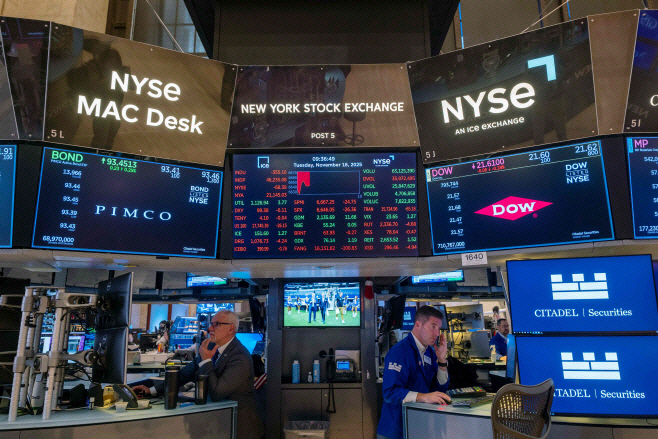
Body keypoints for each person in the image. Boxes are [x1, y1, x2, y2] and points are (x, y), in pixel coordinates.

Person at [132, 311, 264, 439]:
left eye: (216, 324)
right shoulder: (212, 348)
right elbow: (184, 374)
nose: (210, 328)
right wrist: (152, 390)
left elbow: (217, 393)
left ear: (231, 329)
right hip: (219, 423)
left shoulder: (240, 357)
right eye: (211, 324)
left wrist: (206, 360)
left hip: (238, 427)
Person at [377, 306, 450, 439]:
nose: (437, 333)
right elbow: (390, 392)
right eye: (433, 326)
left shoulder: (429, 352)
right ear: (418, 324)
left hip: (418, 426)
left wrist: (441, 361)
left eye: (439, 328)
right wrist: (424, 397)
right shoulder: (399, 351)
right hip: (396, 430)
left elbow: (438, 390)